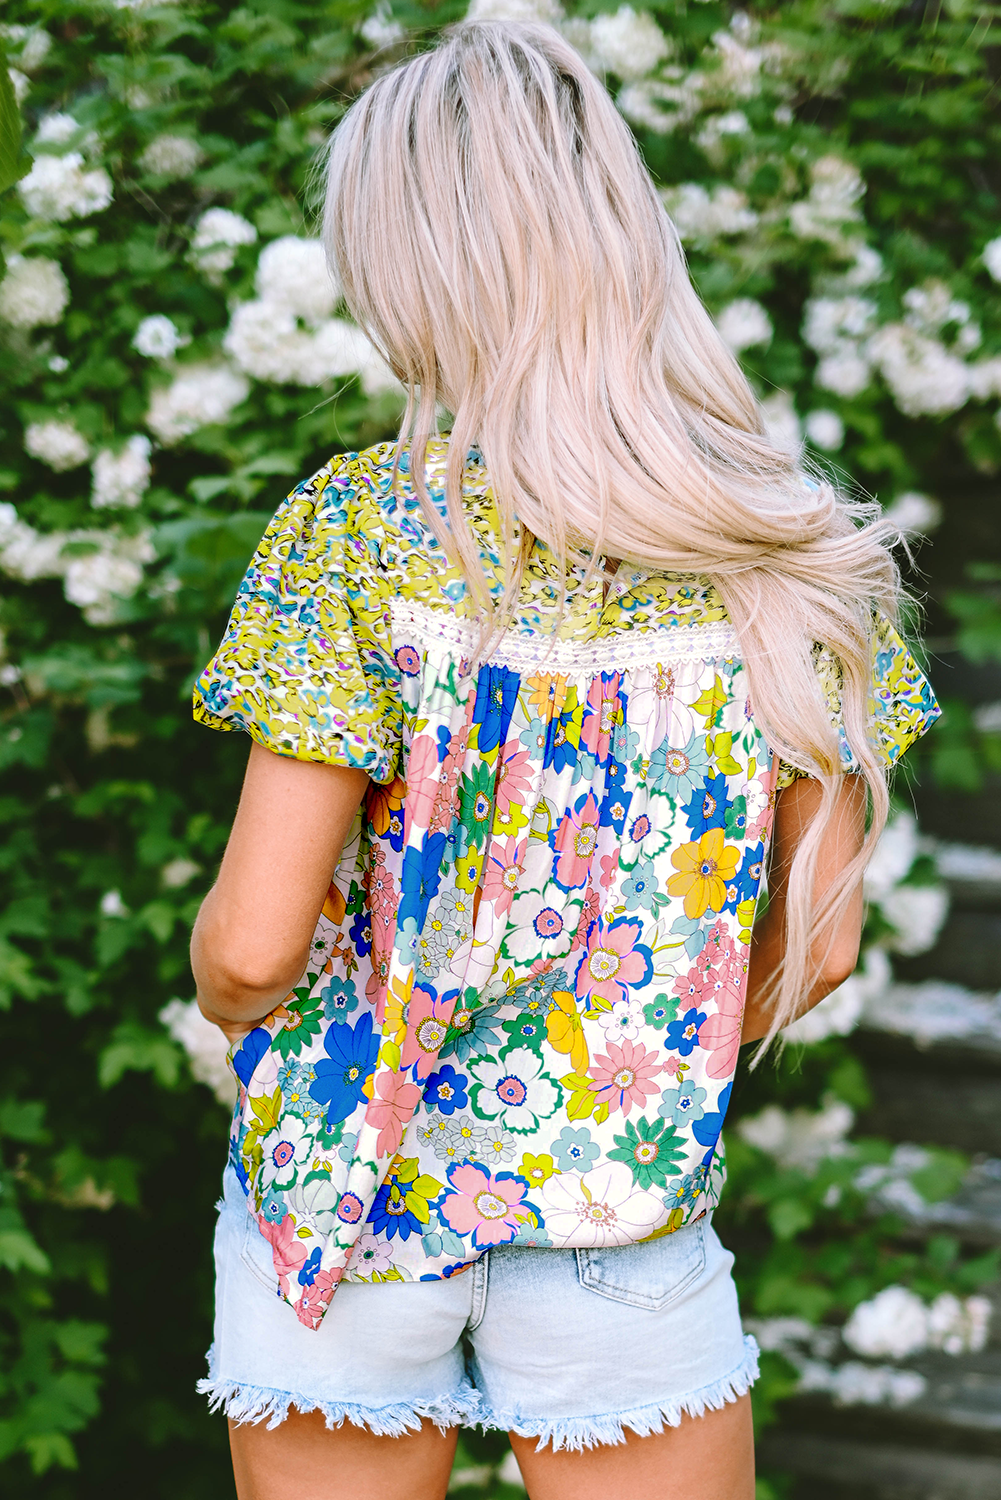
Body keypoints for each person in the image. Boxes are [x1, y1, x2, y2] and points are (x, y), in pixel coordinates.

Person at [189, 20, 939, 1500]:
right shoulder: (788, 541)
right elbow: (827, 948)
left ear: (412, 262)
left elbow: (254, 948)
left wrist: (226, 988)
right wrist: (628, 1054)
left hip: (345, 1194)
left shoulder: (359, 530)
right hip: (624, 1201)